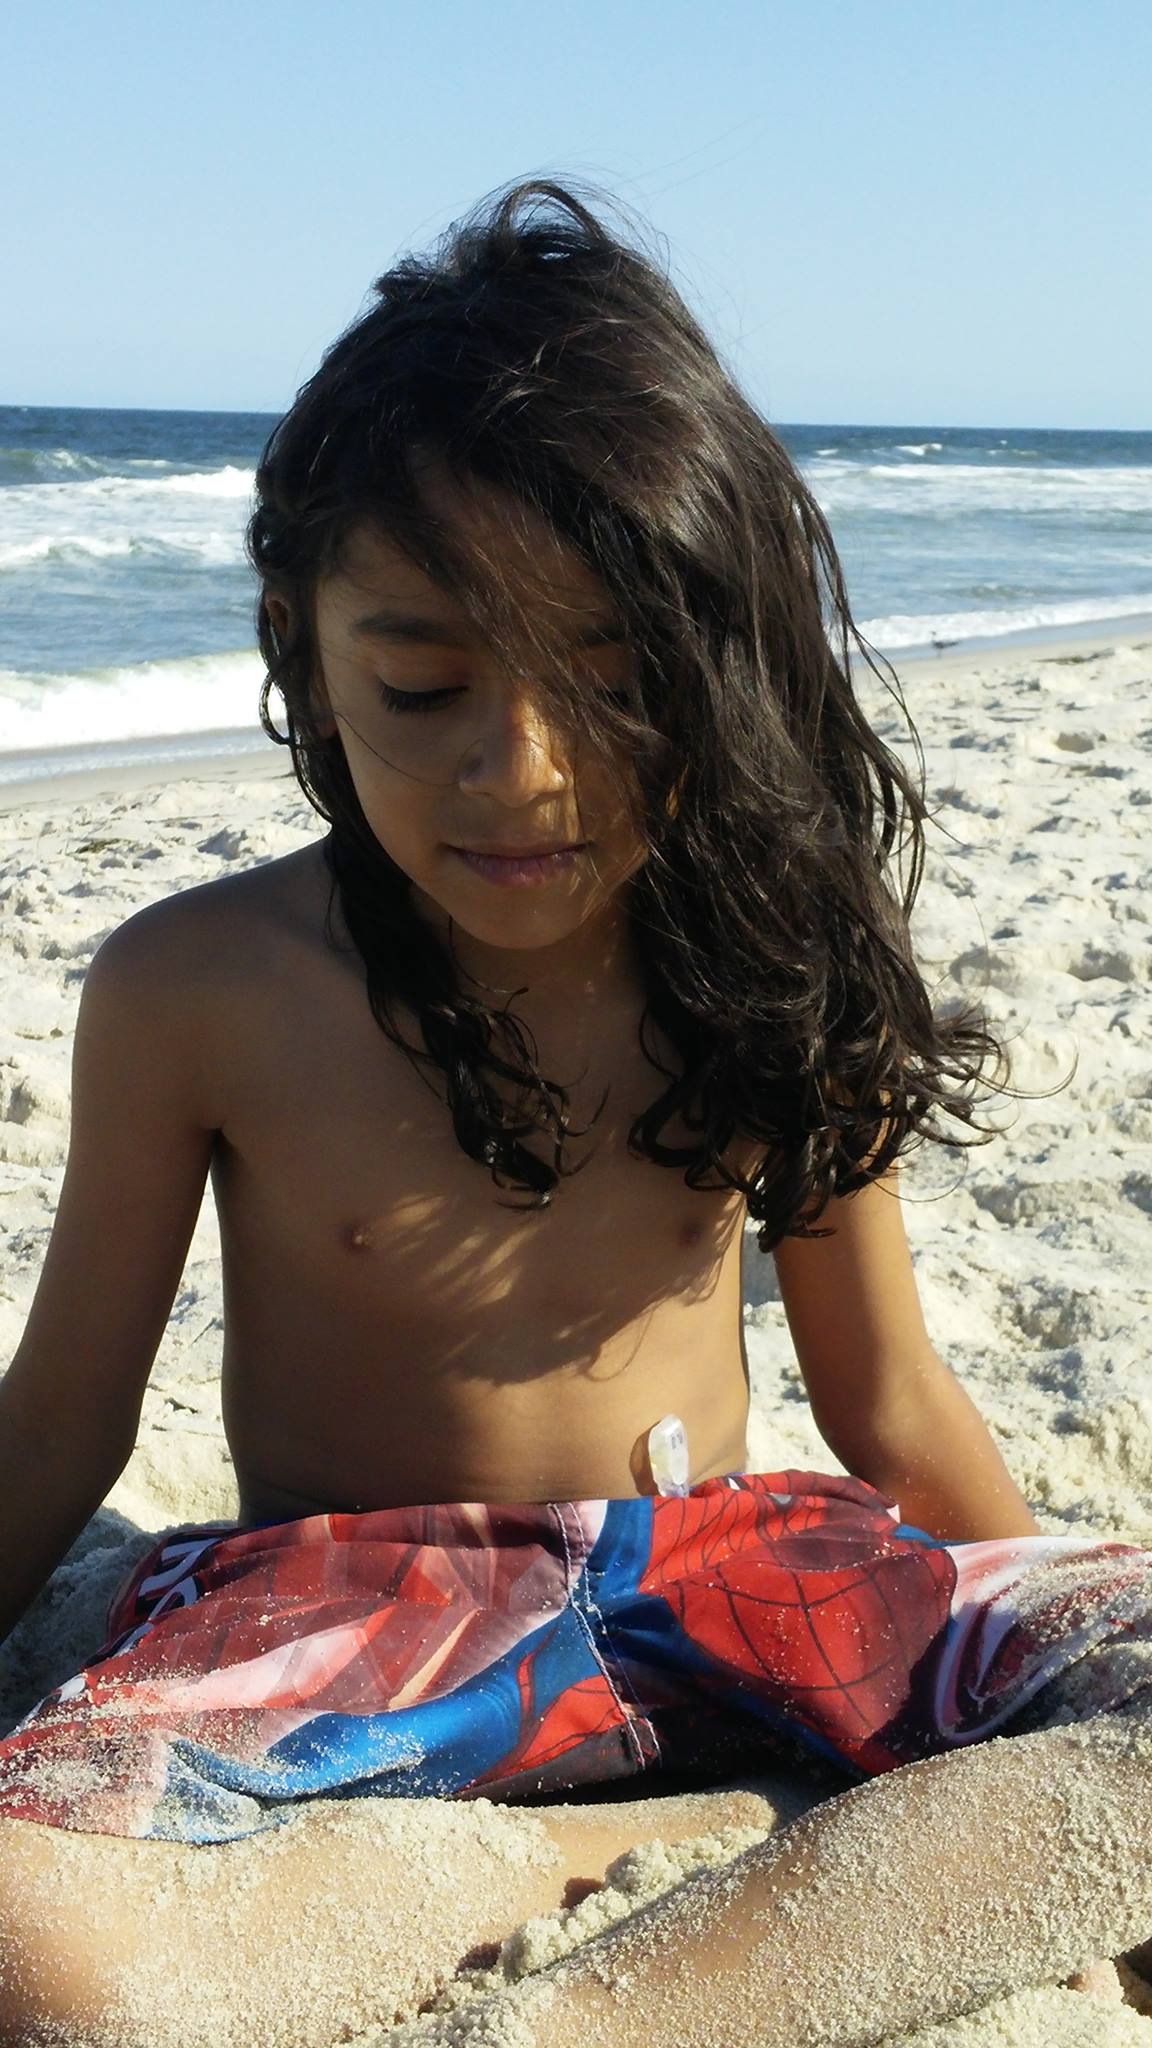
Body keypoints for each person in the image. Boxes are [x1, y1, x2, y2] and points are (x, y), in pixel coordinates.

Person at [0, 178, 1149, 2048]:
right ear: (300, 636)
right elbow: (63, 1424)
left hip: (736, 1569)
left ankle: (618, 2004)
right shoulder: (194, 988)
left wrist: (1015, 1670)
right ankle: (703, 1867)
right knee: (27, 1931)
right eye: (425, 682)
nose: (518, 771)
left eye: (618, 685)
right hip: (350, 1620)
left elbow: (889, 1403)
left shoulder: (762, 953)